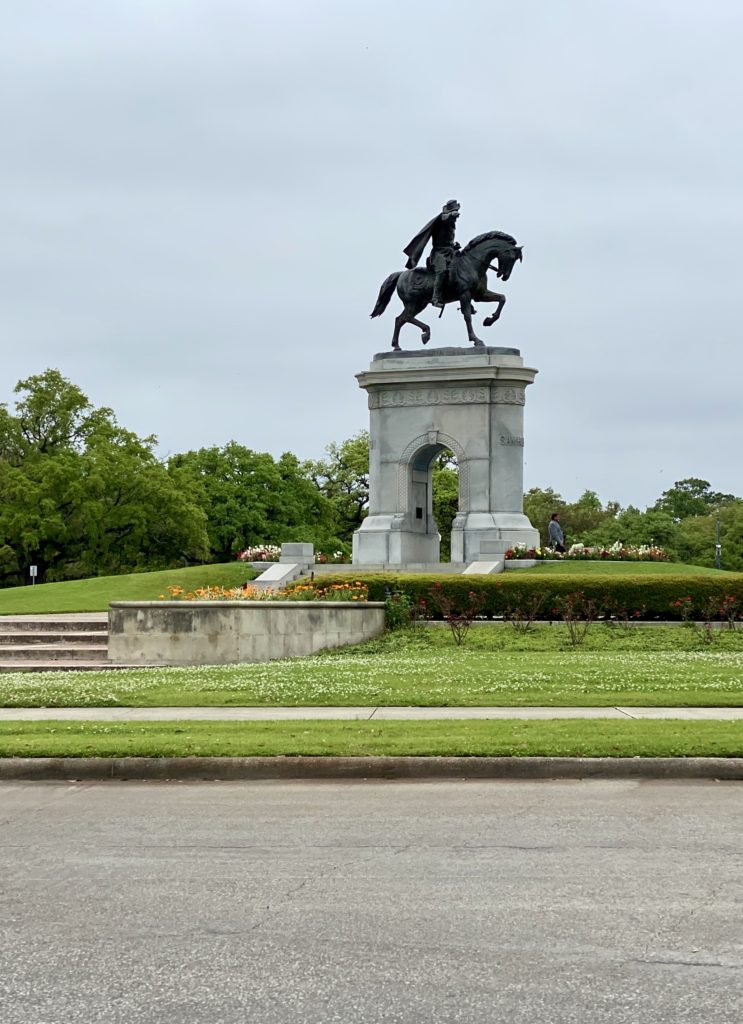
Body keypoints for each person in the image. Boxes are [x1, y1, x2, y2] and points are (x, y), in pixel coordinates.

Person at [403, 200, 461, 308]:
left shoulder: (451, 224)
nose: (456, 216)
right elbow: (445, 217)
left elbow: (447, 240)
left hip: (450, 252)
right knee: (442, 272)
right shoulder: (442, 218)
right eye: (455, 212)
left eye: (457, 212)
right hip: (439, 253)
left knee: (462, 269)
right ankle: (435, 298)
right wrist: (451, 214)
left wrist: (454, 246)